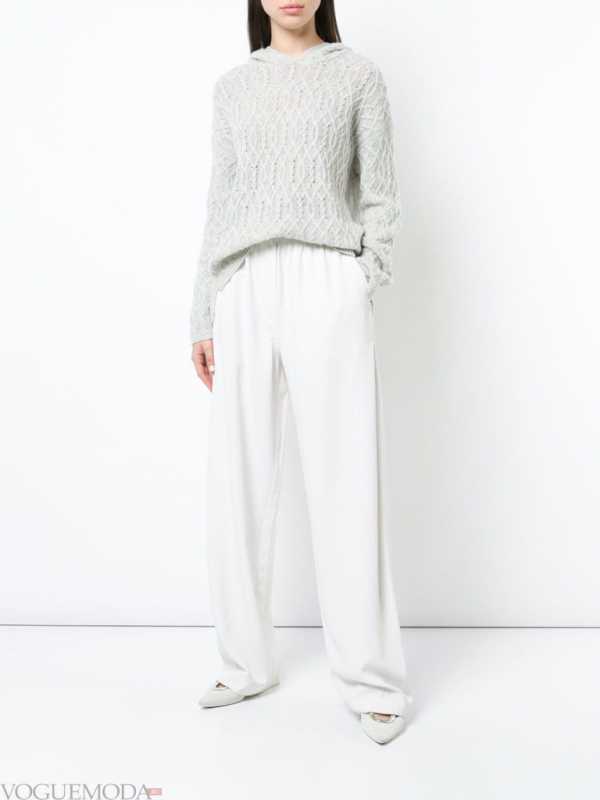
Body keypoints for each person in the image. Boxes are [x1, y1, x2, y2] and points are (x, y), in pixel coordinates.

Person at [190, 0, 414, 745]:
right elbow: (221, 202)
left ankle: (373, 680)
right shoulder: (234, 86)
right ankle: (244, 662)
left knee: (347, 474)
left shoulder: (356, 76)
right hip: (245, 280)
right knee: (239, 475)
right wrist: (203, 312)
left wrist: (362, 277)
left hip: (328, 277)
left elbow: (380, 192)